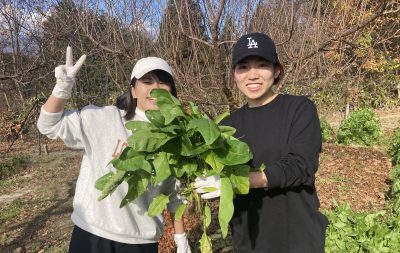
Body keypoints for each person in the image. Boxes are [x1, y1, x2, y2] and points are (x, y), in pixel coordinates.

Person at [37, 47, 191, 253]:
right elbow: (48, 126)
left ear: (172, 91)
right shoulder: (104, 118)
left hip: (141, 242)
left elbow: (174, 194)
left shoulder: (176, 136)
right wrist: (62, 89)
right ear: (133, 89)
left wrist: (181, 239)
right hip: (92, 234)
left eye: (163, 82)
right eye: (147, 82)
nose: (155, 88)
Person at [194, 32, 328, 252]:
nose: (252, 75)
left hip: (296, 238)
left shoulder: (299, 109)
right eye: (243, 67)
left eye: (262, 65)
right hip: (249, 241)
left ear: (276, 71)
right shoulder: (227, 126)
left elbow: (301, 166)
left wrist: (238, 182)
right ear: (234, 74)